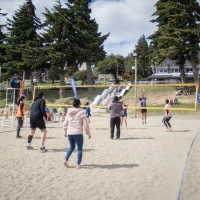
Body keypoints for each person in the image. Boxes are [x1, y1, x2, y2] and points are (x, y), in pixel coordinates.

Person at [63, 98, 91, 169]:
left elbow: (65, 122)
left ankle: (65, 160)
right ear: (79, 104)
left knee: (71, 147)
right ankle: (78, 164)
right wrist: (88, 133)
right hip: (78, 132)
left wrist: (65, 131)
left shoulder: (69, 112)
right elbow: (86, 124)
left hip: (70, 132)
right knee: (79, 149)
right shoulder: (82, 112)